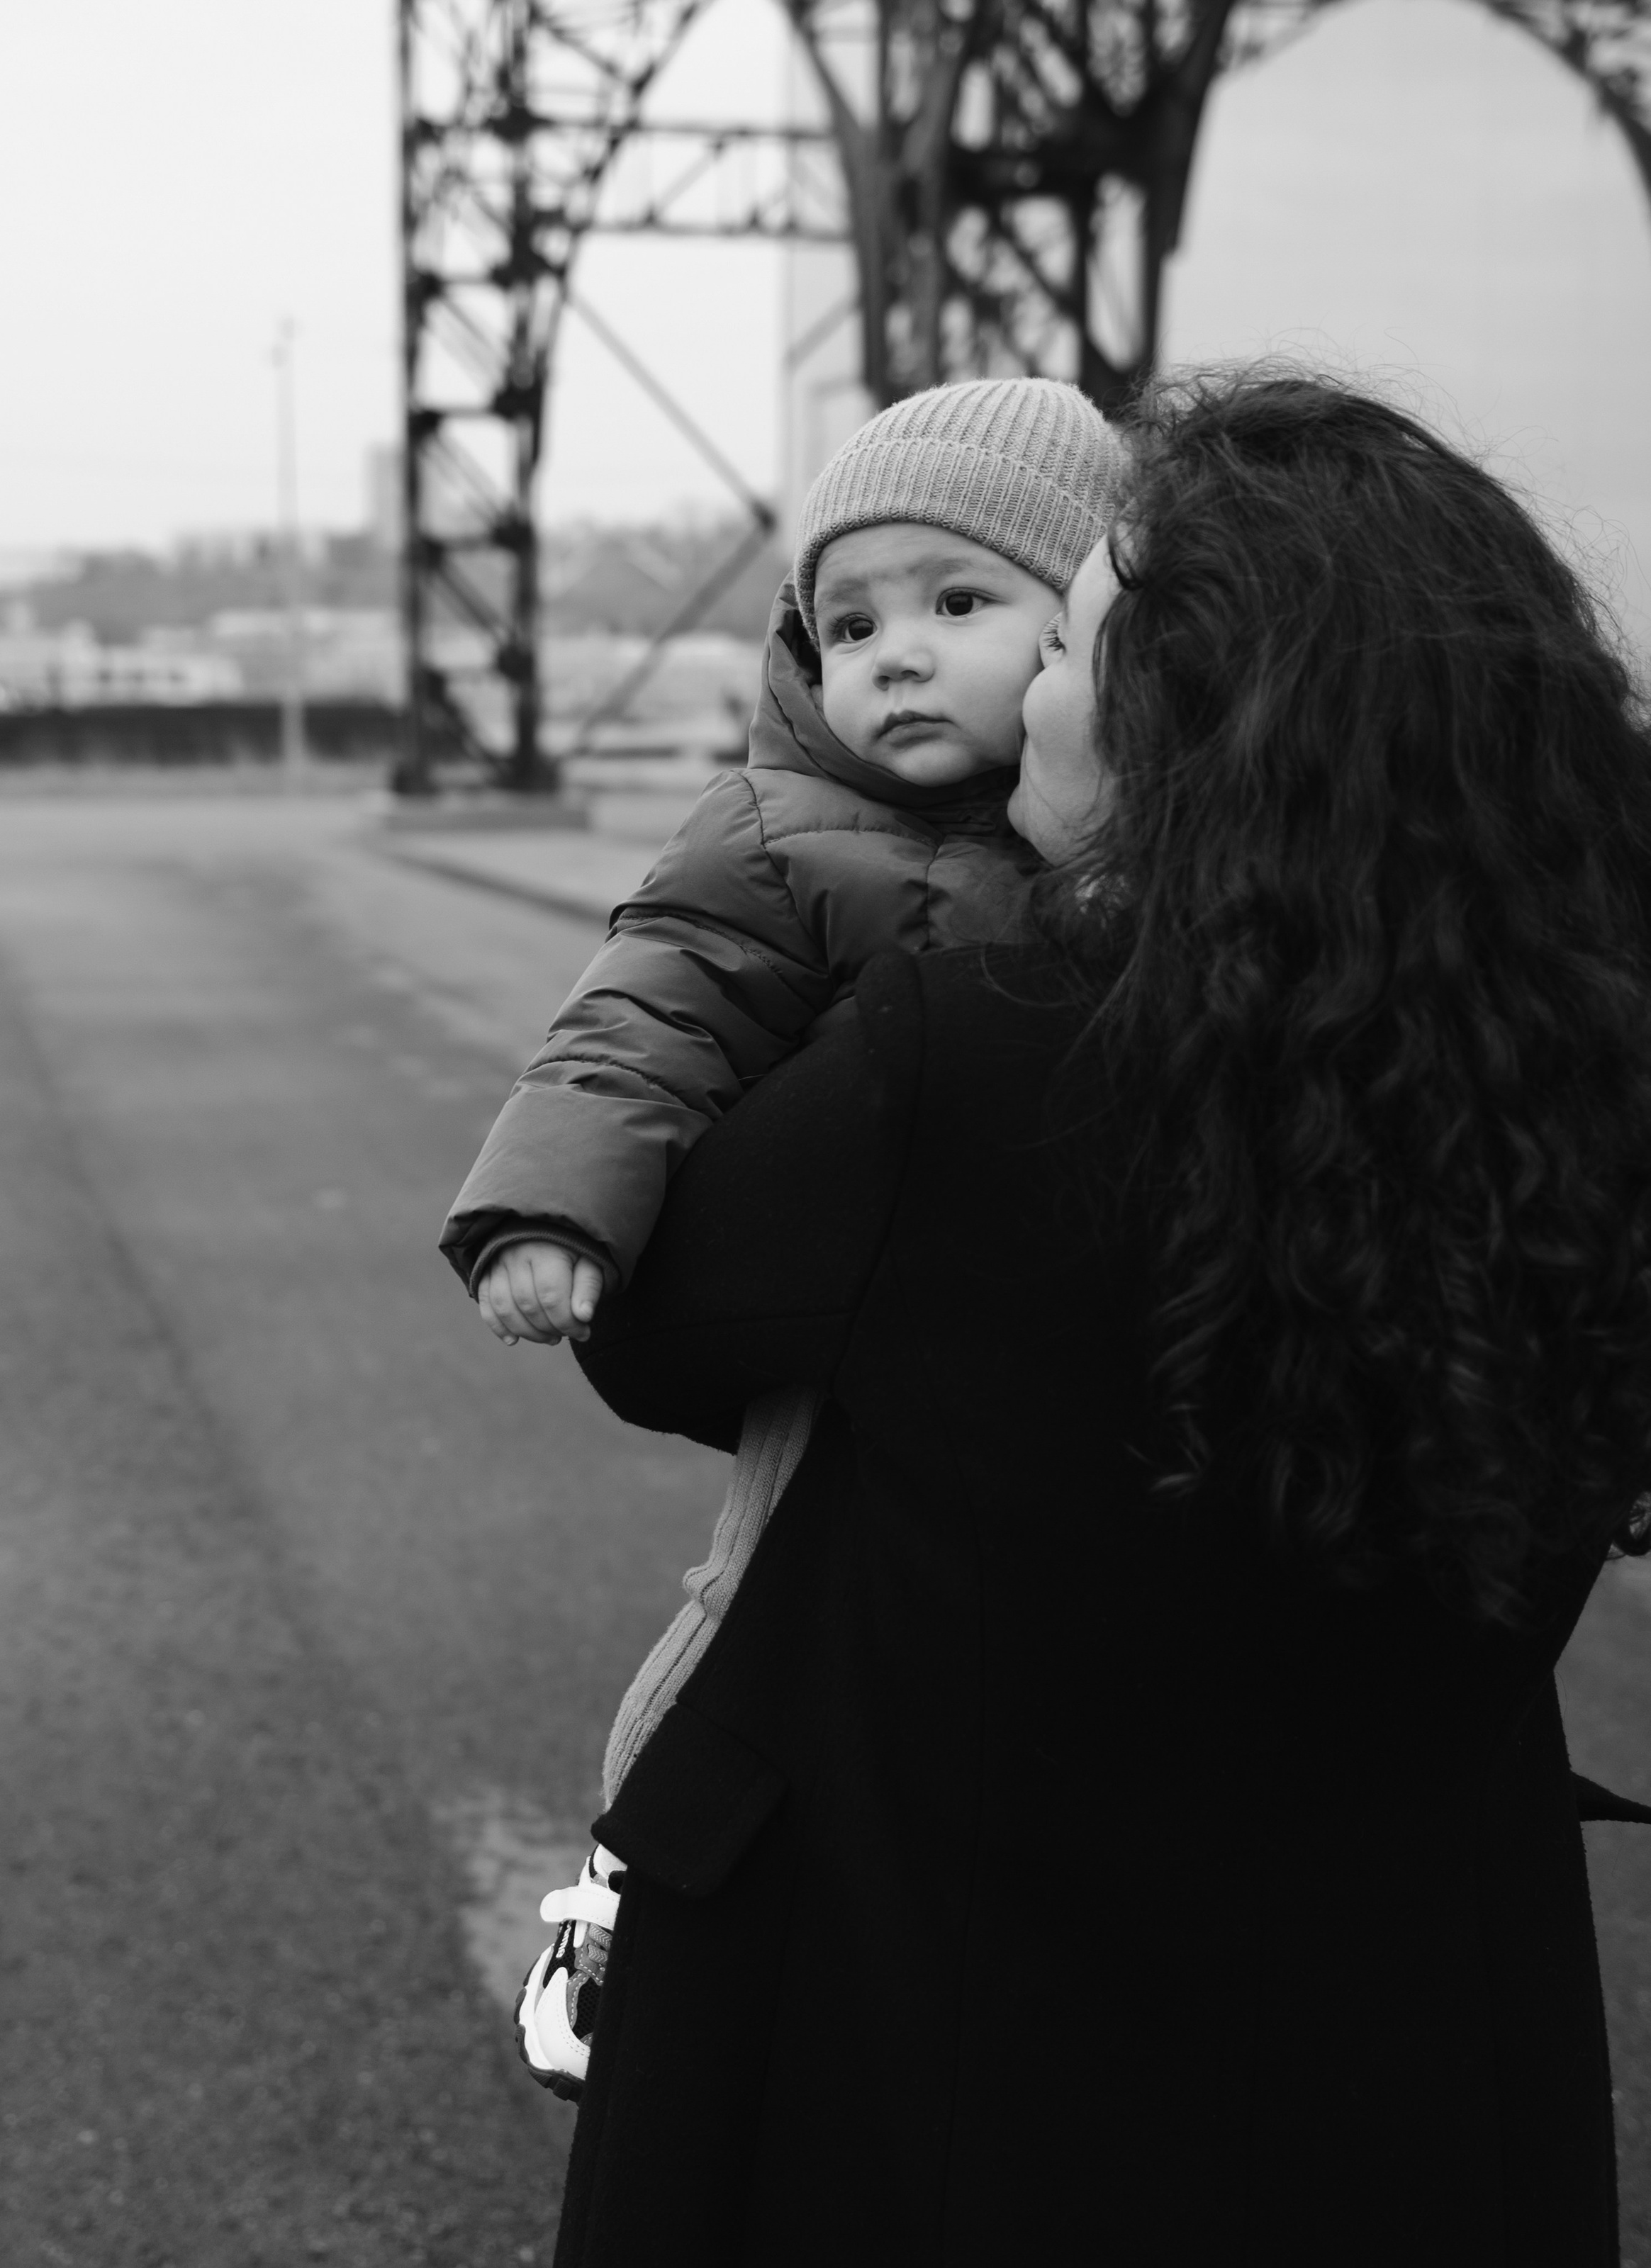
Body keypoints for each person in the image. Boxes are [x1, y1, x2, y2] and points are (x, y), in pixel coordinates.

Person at [553, 369, 1651, 2266]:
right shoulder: (1590, 1070)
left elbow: (652, 1333)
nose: (1021, 696)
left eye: (1063, 640)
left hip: (937, 2015)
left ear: (1182, 722)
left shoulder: (964, 1050)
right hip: (1400, 2036)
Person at [440, 377, 1125, 2092]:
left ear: (1094, 632)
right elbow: (638, 1021)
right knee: (750, 1605)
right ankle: (623, 1887)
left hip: (1042, 1347)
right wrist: (548, 1208)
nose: (893, 653)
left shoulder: (1130, 841)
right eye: (847, 620)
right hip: (848, 1332)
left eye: (958, 605)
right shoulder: (775, 835)